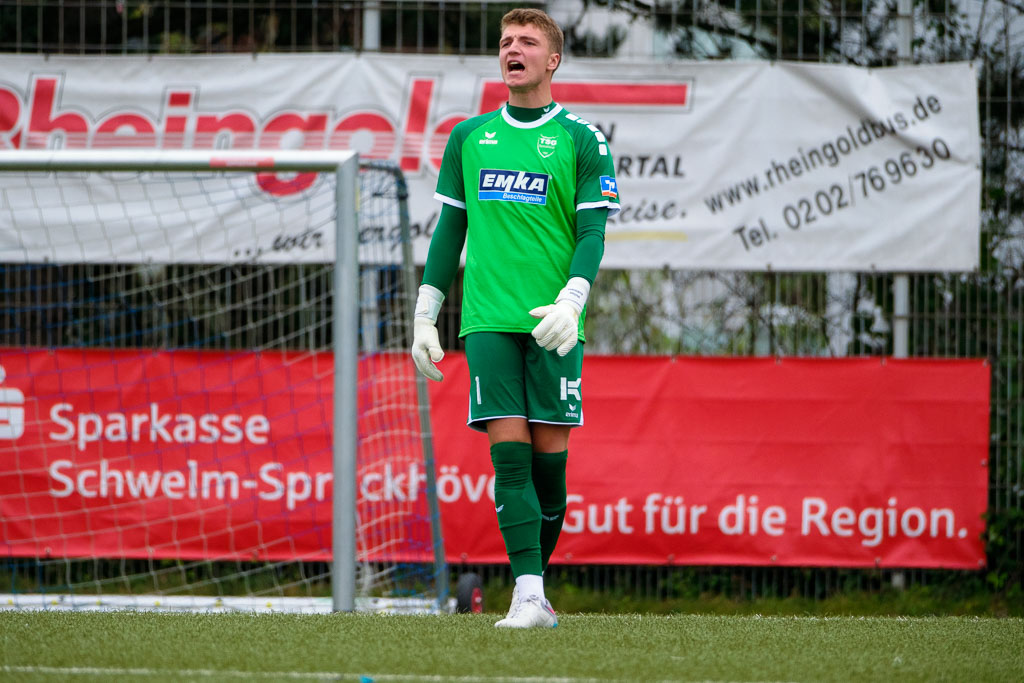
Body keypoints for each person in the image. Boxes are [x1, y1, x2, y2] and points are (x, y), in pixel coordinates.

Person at [410, 7, 619, 629]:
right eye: (505, 41)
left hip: (554, 322)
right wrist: (427, 312)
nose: (513, 49)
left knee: (551, 468)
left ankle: (537, 590)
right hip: (487, 321)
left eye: (527, 41)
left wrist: (573, 299)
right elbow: (451, 229)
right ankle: (527, 594)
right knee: (510, 460)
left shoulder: (583, 139)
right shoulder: (469, 137)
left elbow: (593, 231)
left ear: (552, 60)